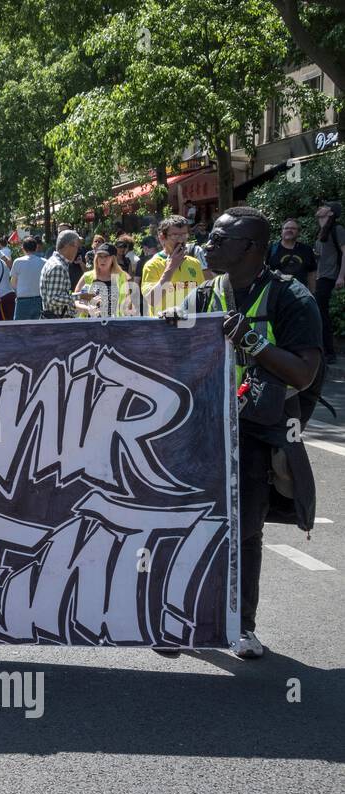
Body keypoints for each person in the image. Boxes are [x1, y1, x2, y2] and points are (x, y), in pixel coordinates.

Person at [172, 208, 323, 659]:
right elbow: (165, 346)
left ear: (251, 249)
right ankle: (178, 618)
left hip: (260, 430)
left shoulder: (291, 297)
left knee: (244, 527)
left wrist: (251, 342)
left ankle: (242, 625)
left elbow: (305, 374)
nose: (209, 246)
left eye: (220, 240)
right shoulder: (204, 295)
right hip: (204, 428)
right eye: (211, 239)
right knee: (186, 520)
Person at [141, 214, 210, 315]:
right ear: (162, 237)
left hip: (190, 326)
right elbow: (152, 300)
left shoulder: (194, 263)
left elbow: (202, 298)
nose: (181, 240)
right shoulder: (152, 265)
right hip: (164, 327)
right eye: (175, 235)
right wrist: (171, 268)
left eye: (184, 235)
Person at [312, 202, 344, 364]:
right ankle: (323, 351)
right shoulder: (320, 231)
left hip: (329, 277)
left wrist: (341, 277)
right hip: (318, 278)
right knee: (318, 313)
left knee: (321, 314)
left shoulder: (337, 229)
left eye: (324, 206)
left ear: (330, 213)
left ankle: (329, 353)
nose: (320, 207)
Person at [40, 230, 98, 318]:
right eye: (77, 247)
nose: (78, 250)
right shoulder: (57, 266)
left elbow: (59, 296)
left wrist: (80, 296)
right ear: (68, 246)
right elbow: (53, 299)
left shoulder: (55, 262)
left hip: (56, 320)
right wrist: (81, 296)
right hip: (56, 322)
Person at [74, 243, 136, 317]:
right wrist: (87, 309)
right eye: (100, 256)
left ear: (113, 259)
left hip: (114, 323)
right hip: (90, 323)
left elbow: (128, 302)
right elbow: (75, 300)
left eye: (106, 256)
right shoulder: (87, 276)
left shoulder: (121, 277)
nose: (102, 260)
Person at [266, 219, 316, 290]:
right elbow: (263, 270)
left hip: (299, 293)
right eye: (286, 228)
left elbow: (311, 273)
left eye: (293, 228)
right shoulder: (271, 249)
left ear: (298, 232)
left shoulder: (306, 250)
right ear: (282, 231)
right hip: (275, 292)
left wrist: (312, 293)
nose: (289, 230)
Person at [9, 237, 46, 321]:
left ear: (23, 248)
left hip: (23, 301)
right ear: (36, 248)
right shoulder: (44, 262)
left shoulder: (18, 262)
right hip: (39, 300)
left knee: (20, 330)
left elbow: (13, 284)